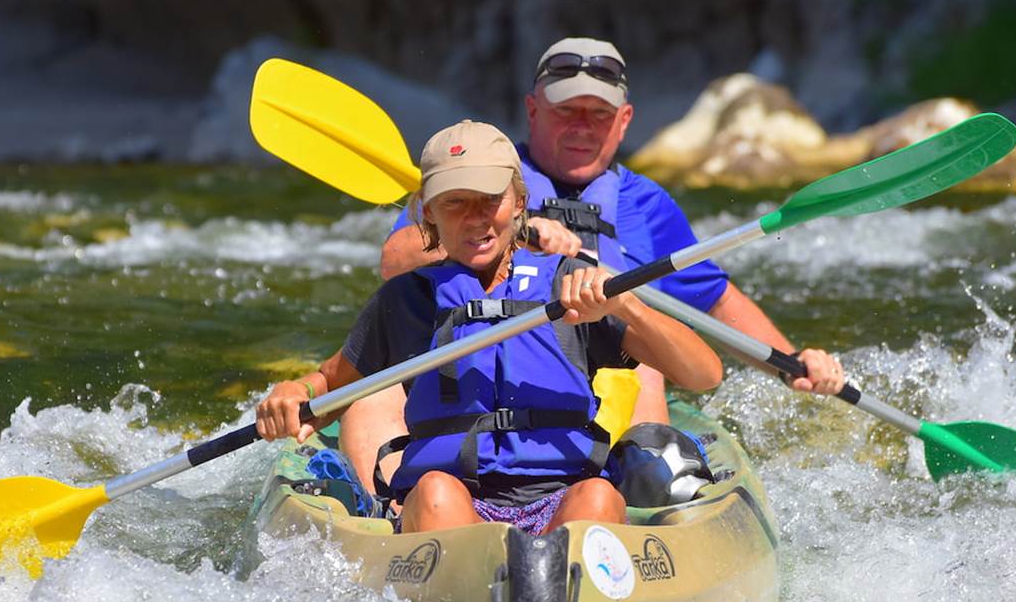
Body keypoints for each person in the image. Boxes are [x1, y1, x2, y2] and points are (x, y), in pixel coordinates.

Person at [338, 37, 844, 490]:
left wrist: (792, 364)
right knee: (371, 394)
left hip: (598, 383)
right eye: (566, 111)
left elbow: (714, 299)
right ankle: (390, 527)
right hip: (469, 382)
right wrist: (520, 230)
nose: (582, 127)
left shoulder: (648, 204)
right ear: (533, 111)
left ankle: (628, 521)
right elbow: (396, 259)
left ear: (624, 121)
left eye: (598, 113)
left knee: (644, 365)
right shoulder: (480, 176)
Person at [256, 120, 723, 535]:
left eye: (490, 201)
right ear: (428, 213)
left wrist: (628, 308)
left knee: (599, 498)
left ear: (519, 202)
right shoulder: (409, 299)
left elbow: (704, 374)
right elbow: (326, 389)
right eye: (455, 202)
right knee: (436, 491)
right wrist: (294, 393)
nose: (476, 218)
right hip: (453, 505)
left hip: (559, 500)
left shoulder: (567, 287)